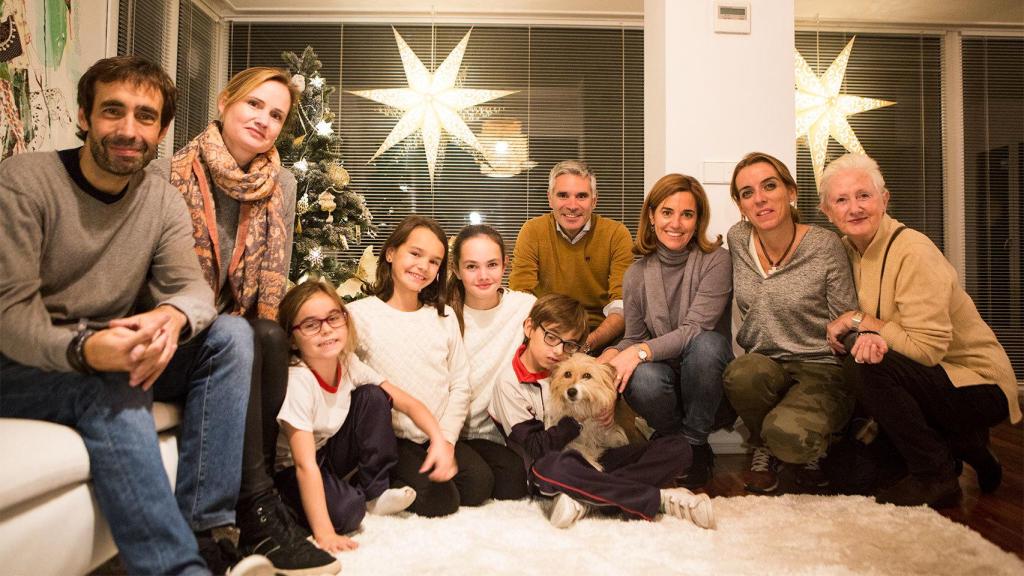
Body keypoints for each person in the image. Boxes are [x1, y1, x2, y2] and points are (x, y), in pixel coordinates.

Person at [0, 56, 271, 575]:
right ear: (84, 116)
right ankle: (175, 569)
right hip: (18, 363)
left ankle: (207, 531)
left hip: (107, 346)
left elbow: (191, 288)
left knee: (233, 334)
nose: (128, 130)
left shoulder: (159, 200)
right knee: (110, 381)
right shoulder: (25, 181)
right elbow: (10, 316)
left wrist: (171, 318)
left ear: (162, 129)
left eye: (145, 117)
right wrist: (84, 351)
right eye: (112, 112)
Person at [152, 67, 337, 575]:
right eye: (254, 105)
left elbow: (270, 288)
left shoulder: (281, 183)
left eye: (276, 114)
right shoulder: (167, 175)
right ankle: (252, 509)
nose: (263, 120)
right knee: (241, 334)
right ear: (224, 103)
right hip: (176, 336)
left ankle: (259, 501)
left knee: (270, 336)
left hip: (234, 336)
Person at [820, 153, 1021, 507]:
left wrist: (860, 323)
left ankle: (936, 474)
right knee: (850, 476)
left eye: (864, 195)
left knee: (864, 364)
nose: (854, 208)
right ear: (827, 212)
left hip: (977, 384)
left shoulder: (913, 251)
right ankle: (966, 444)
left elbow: (928, 350)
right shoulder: (849, 250)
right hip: (927, 378)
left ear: (885, 199)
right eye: (842, 199)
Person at [490, 294, 716, 530]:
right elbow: (536, 449)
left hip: (594, 458)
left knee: (678, 448)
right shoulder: (509, 383)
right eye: (551, 337)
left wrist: (605, 402)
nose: (558, 351)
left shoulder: (570, 367)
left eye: (569, 345)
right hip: (549, 467)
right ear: (529, 328)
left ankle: (587, 498)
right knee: (551, 465)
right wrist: (576, 420)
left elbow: (600, 385)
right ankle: (659, 500)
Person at [273, 280, 455, 553]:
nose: (326, 330)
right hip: (293, 469)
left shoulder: (347, 363)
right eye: (311, 325)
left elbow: (407, 402)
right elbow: (304, 465)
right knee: (348, 512)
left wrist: (438, 440)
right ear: (292, 338)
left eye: (333, 318)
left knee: (373, 395)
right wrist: (324, 534)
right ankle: (303, 507)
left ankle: (375, 491)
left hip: (328, 452)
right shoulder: (299, 380)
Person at [722, 152, 858, 494]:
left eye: (769, 186)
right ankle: (763, 445)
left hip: (820, 367)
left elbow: (845, 317)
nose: (760, 198)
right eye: (747, 192)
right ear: (740, 205)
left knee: (792, 438)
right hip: (765, 363)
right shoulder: (738, 239)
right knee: (740, 374)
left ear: (791, 191)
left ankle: (808, 444)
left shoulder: (824, 246)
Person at [347, 215, 490, 517]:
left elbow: (460, 385)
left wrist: (447, 441)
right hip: (392, 439)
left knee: (479, 484)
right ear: (390, 253)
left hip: (436, 433)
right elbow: (350, 374)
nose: (423, 267)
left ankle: (424, 470)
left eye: (434, 261)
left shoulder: (444, 316)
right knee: (441, 501)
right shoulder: (359, 315)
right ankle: (375, 484)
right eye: (415, 254)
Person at [597, 174, 733, 488]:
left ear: (698, 220)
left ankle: (695, 444)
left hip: (706, 374)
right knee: (642, 378)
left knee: (707, 345)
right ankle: (678, 444)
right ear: (652, 216)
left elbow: (695, 329)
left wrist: (639, 351)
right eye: (667, 212)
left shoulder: (716, 260)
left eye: (687, 214)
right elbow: (634, 336)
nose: (676, 223)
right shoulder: (636, 273)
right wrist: (611, 356)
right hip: (664, 377)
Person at [508, 160, 633, 352]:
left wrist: (586, 344)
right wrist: (554, 341)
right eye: (563, 195)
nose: (572, 205)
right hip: (547, 334)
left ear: (594, 200)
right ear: (550, 199)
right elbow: (521, 296)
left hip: (600, 338)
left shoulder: (616, 234)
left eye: (581, 196)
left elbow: (621, 306)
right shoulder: (532, 231)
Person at [447, 224, 535, 500]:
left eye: (492, 264)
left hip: (493, 436)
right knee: (476, 486)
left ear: (505, 264)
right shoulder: (444, 312)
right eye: (472, 267)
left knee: (514, 485)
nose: (484, 276)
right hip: (448, 430)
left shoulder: (524, 308)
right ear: (457, 269)